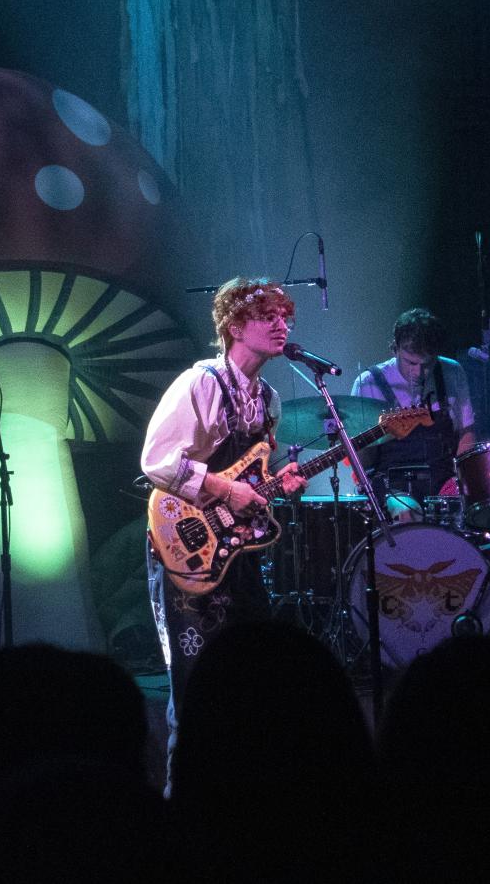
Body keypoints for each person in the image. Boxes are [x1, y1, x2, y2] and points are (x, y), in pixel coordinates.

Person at [140, 277, 306, 774]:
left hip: (236, 550)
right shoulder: (201, 383)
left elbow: (249, 480)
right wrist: (226, 489)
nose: (283, 325)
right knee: (194, 681)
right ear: (234, 326)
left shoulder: (269, 399)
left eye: (285, 316)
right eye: (269, 317)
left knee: (250, 671)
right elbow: (156, 461)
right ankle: (182, 796)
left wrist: (277, 485)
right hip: (183, 542)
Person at [350, 307, 476, 495]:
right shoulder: (368, 383)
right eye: (411, 363)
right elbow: (363, 465)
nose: (419, 372)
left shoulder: (452, 372)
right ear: (395, 349)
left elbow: (467, 432)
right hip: (390, 490)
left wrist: (458, 480)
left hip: (445, 485)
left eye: (427, 364)